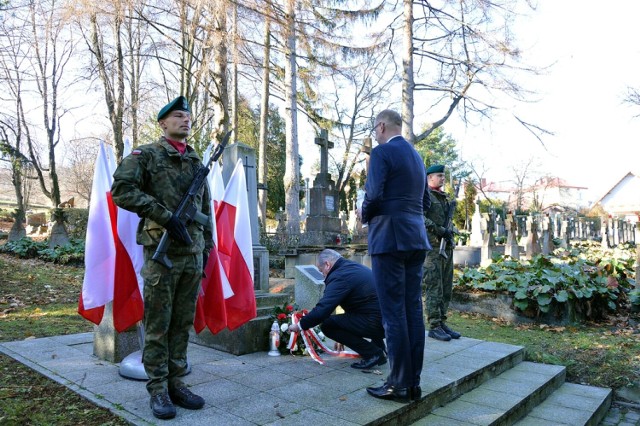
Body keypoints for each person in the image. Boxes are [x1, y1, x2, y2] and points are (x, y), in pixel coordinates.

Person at [111, 96, 213, 420]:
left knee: (182, 324)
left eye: (188, 116)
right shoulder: (147, 155)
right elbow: (121, 190)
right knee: (158, 325)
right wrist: (162, 215)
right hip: (161, 254)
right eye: (178, 116)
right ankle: (157, 389)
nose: (186, 120)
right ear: (163, 123)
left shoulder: (197, 161)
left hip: (192, 253)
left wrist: (207, 247)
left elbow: (205, 209)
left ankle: (176, 382)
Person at [360, 109, 431, 403]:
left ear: (381, 126)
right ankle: (412, 382)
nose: (375, 134)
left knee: (392, 313)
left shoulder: (381, 153)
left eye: (375, 129)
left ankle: (398, 383)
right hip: (415, 237)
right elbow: (425, 201)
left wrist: (364, 215)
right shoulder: (417, 157)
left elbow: (374, 195)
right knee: (413, 310)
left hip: (389, 238)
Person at [288, 249, 386, 369]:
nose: (323, 275)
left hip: (375, 322)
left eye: (321, 270)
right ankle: (379, 347)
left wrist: (300, 325)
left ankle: (373, 353)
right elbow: (357, 305)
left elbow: (324, 309)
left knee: (328, 325)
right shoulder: (351, 267)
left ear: (327, 264)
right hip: (388, 321)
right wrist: (343, 335)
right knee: (367, 310)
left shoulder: (339, 276)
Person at [422, 165, 461, 342]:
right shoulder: (425, 195)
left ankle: (442, 321)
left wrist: (450, 231)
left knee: (446, 287)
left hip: (445, 247)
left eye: (444, 176)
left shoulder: (443, 197)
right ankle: (434, 325)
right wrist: (438, 229)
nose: (443, 179)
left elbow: (447, 220)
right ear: (430, 177)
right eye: (439, 175)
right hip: (432, 248)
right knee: (434, 287)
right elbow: (420, 217)